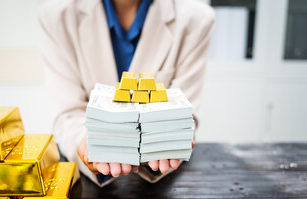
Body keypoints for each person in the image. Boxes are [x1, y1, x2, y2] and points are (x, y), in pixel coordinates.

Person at [38, 0, 215, 186]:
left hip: (163, 184)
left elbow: (185, 113)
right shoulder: (56, 16)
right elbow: (68, 112)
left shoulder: (196, 18)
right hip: (86, 186)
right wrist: (85, 142)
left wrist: (163, 142)